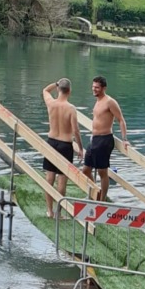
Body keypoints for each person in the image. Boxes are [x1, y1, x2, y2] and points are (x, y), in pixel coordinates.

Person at [41, 78, 83, 219]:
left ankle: (49, 211)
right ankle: (58, 213)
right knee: (62, 180)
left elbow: (45, 90)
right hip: (65, 145)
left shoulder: (51, 103)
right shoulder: (71, 108)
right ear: (70, 91)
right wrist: (80, 148)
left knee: (49, 178)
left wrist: (56, 83)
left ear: (58, 89)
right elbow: (76, 131)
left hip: (51, 142)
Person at [82, 75, 128, 201]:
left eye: (97, 87)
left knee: (102, 172)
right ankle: (95, 193)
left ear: (104, 88)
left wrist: (124, 139)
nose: (94, 89)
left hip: (104, 140)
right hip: (94, 139)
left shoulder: (110, 102)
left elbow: (121, 120)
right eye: (93, 87)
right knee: (86, 170)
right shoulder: (97, 101)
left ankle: (102, 200)